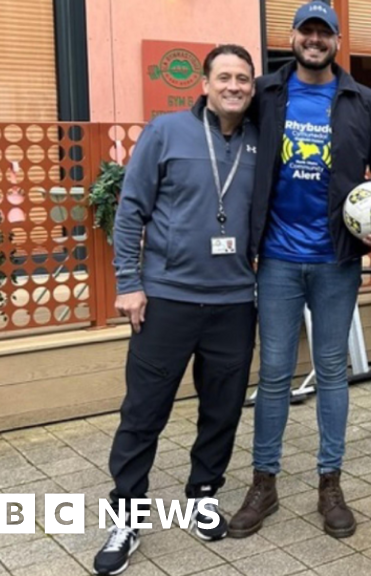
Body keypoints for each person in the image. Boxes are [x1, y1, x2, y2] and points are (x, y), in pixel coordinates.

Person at [229, 0, 371, 540]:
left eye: (324, 33)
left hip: (336, 260)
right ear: (292, 38)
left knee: (333, 372)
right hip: (279, 260)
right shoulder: (265, 93)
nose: (315, 40)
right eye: (307, 31)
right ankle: (264, 482)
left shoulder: (362, 102)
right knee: (274, 375)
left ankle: (328, 482)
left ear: (337, 41)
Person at [94, 45, 259, 575]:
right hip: (166, 298)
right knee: (144, 412)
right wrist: (129, 283)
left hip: (234, 301)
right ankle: (128, 514)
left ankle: (204, 493)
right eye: (225, 77)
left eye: (243, 79)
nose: (234, 86)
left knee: (223, 409)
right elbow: (131, 208)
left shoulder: (261, 140)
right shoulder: (166, 132)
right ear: (206, 84)